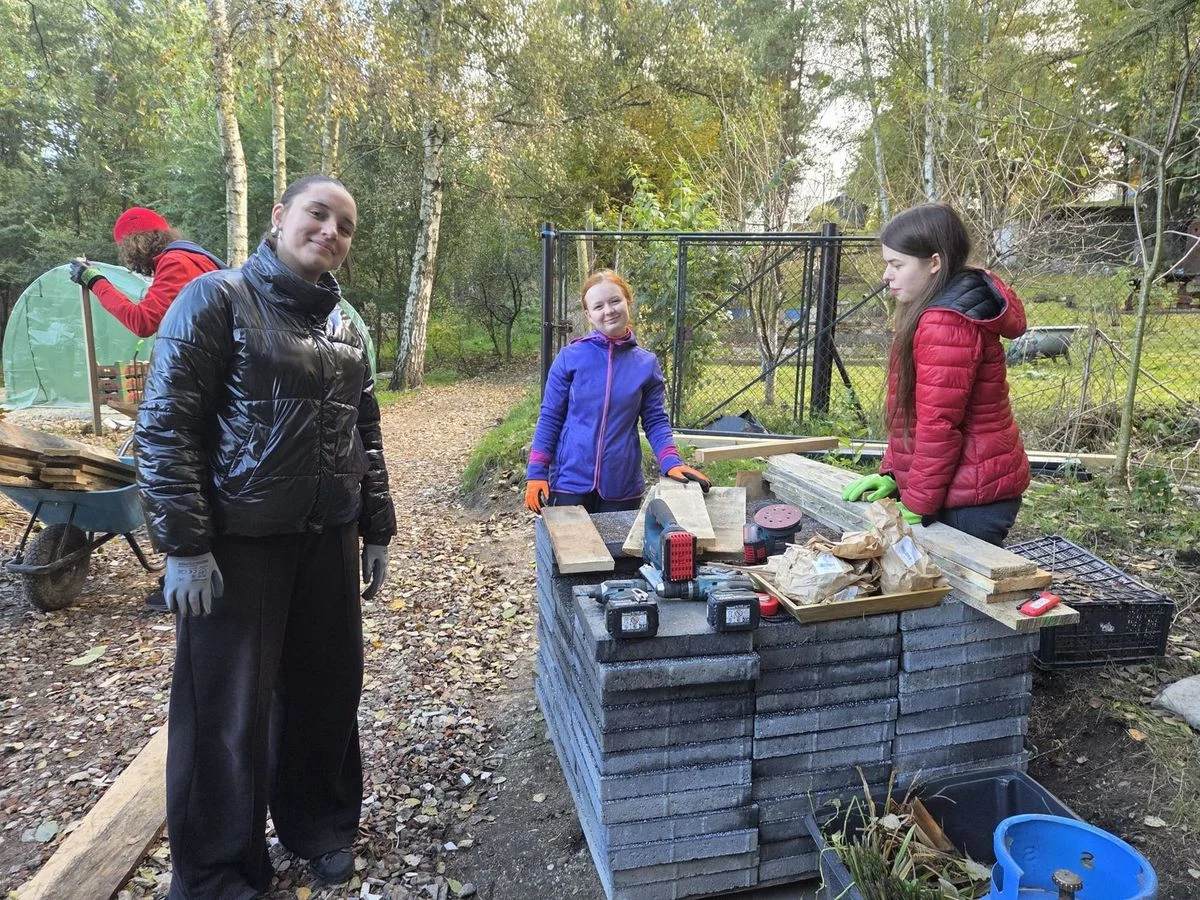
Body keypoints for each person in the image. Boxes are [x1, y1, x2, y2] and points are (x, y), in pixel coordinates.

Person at [135, 174, 395, 898]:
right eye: (319, 214)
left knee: (327, 691)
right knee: (225, 711)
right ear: (280, 216)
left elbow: (364, 434)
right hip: (238, 545)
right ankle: (217, 870)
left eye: (345, 225)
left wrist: (376, 527)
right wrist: (183, 545)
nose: (331, 233)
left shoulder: (343, 325)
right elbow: (164, 427)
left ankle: (319, 826)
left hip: (327, 539)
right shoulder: (215, 299)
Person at [841, 203, 1030, 546]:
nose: (886, 275)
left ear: (935, 263)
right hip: (957, 486)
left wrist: (916, 503)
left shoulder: (946, 321)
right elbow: (912, 412)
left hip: (969, 497)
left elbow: (939, 424)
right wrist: (894, 474)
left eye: (897, 264)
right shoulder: (934, 308)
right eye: (887, 264)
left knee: (953, 594)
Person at [524, 268, 710, 515]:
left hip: (622, 484)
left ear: (627, 302)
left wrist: (670, 460)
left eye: (614, 301)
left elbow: (655, 421)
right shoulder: (570, 358)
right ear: (589, 314)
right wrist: (537, 471)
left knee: (617, 554)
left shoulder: (646, 364)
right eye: (598, 306)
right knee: (570, 553)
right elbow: (550, 417)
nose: (608, 311)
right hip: (569, 481)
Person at [68, 206, 226, 337]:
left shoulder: (176, 263)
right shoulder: (198, 259)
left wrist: (95, 281)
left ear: (134, 244)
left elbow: (142, 322)